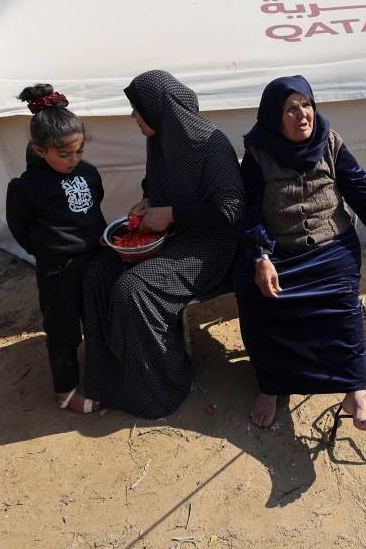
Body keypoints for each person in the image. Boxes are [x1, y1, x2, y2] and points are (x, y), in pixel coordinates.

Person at [234, 75, 366, 430]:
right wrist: (261, 256)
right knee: (259, 303)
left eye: (306, 105)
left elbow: (365, 196)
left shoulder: (330, 143)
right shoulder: (258, 154)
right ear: (273, 117)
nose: (302, 115)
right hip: (280, 251)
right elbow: (248, 213)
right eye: (291, 109)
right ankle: (271, 386)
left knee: (344, 305)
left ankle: (354, 389)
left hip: (331, 246)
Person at [81, 70, 245, 419]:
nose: (132, 116)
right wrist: (147, 201)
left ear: (157, 109)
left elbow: (230, 209)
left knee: (132, 290)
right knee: (97, 274)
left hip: (208, 247)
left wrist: (170, 213)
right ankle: (110, 381)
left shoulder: (211, 144)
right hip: (168, 236)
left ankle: (159, 390)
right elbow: (155, 182)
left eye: (136, 109)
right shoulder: (160, 138)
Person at [6, 85, 106, 413]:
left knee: (96, 319)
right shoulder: (26, 187)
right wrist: (49, 250)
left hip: (93, 260)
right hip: (57, 270)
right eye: (64, 154)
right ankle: (65, 389)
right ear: (39, 149)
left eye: (78, 151)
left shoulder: (88, 172)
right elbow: (20, 228)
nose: (73, 160)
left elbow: (95, 204)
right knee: (62, 328)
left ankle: (101, 374)